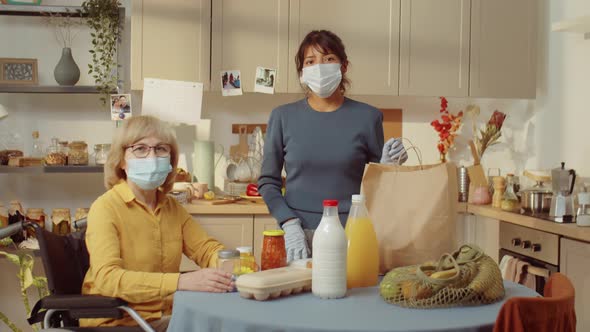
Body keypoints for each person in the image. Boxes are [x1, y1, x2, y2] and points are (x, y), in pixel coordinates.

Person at [258, 30, 408, 263]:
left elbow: (378, 185)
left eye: (328, 59)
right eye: (310, 61)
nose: (319, 66)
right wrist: (289, 223)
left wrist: (390, 168)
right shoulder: (282, 117)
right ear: (302, 72)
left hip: (353, 234)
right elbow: (268, 182)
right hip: (298, 235)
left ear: (343, 66)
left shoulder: (368, 117)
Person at [81, 115, 233, 331]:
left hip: (164, 317)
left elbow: (206, 250)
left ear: (170, 160)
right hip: (119, 321)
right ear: (122, 160)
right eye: (140, 148)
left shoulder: (172, 208)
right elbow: (108, 279)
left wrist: (235, 265)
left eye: (161, 149)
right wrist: (181, 282)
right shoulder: (105, 208)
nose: (152, 156)